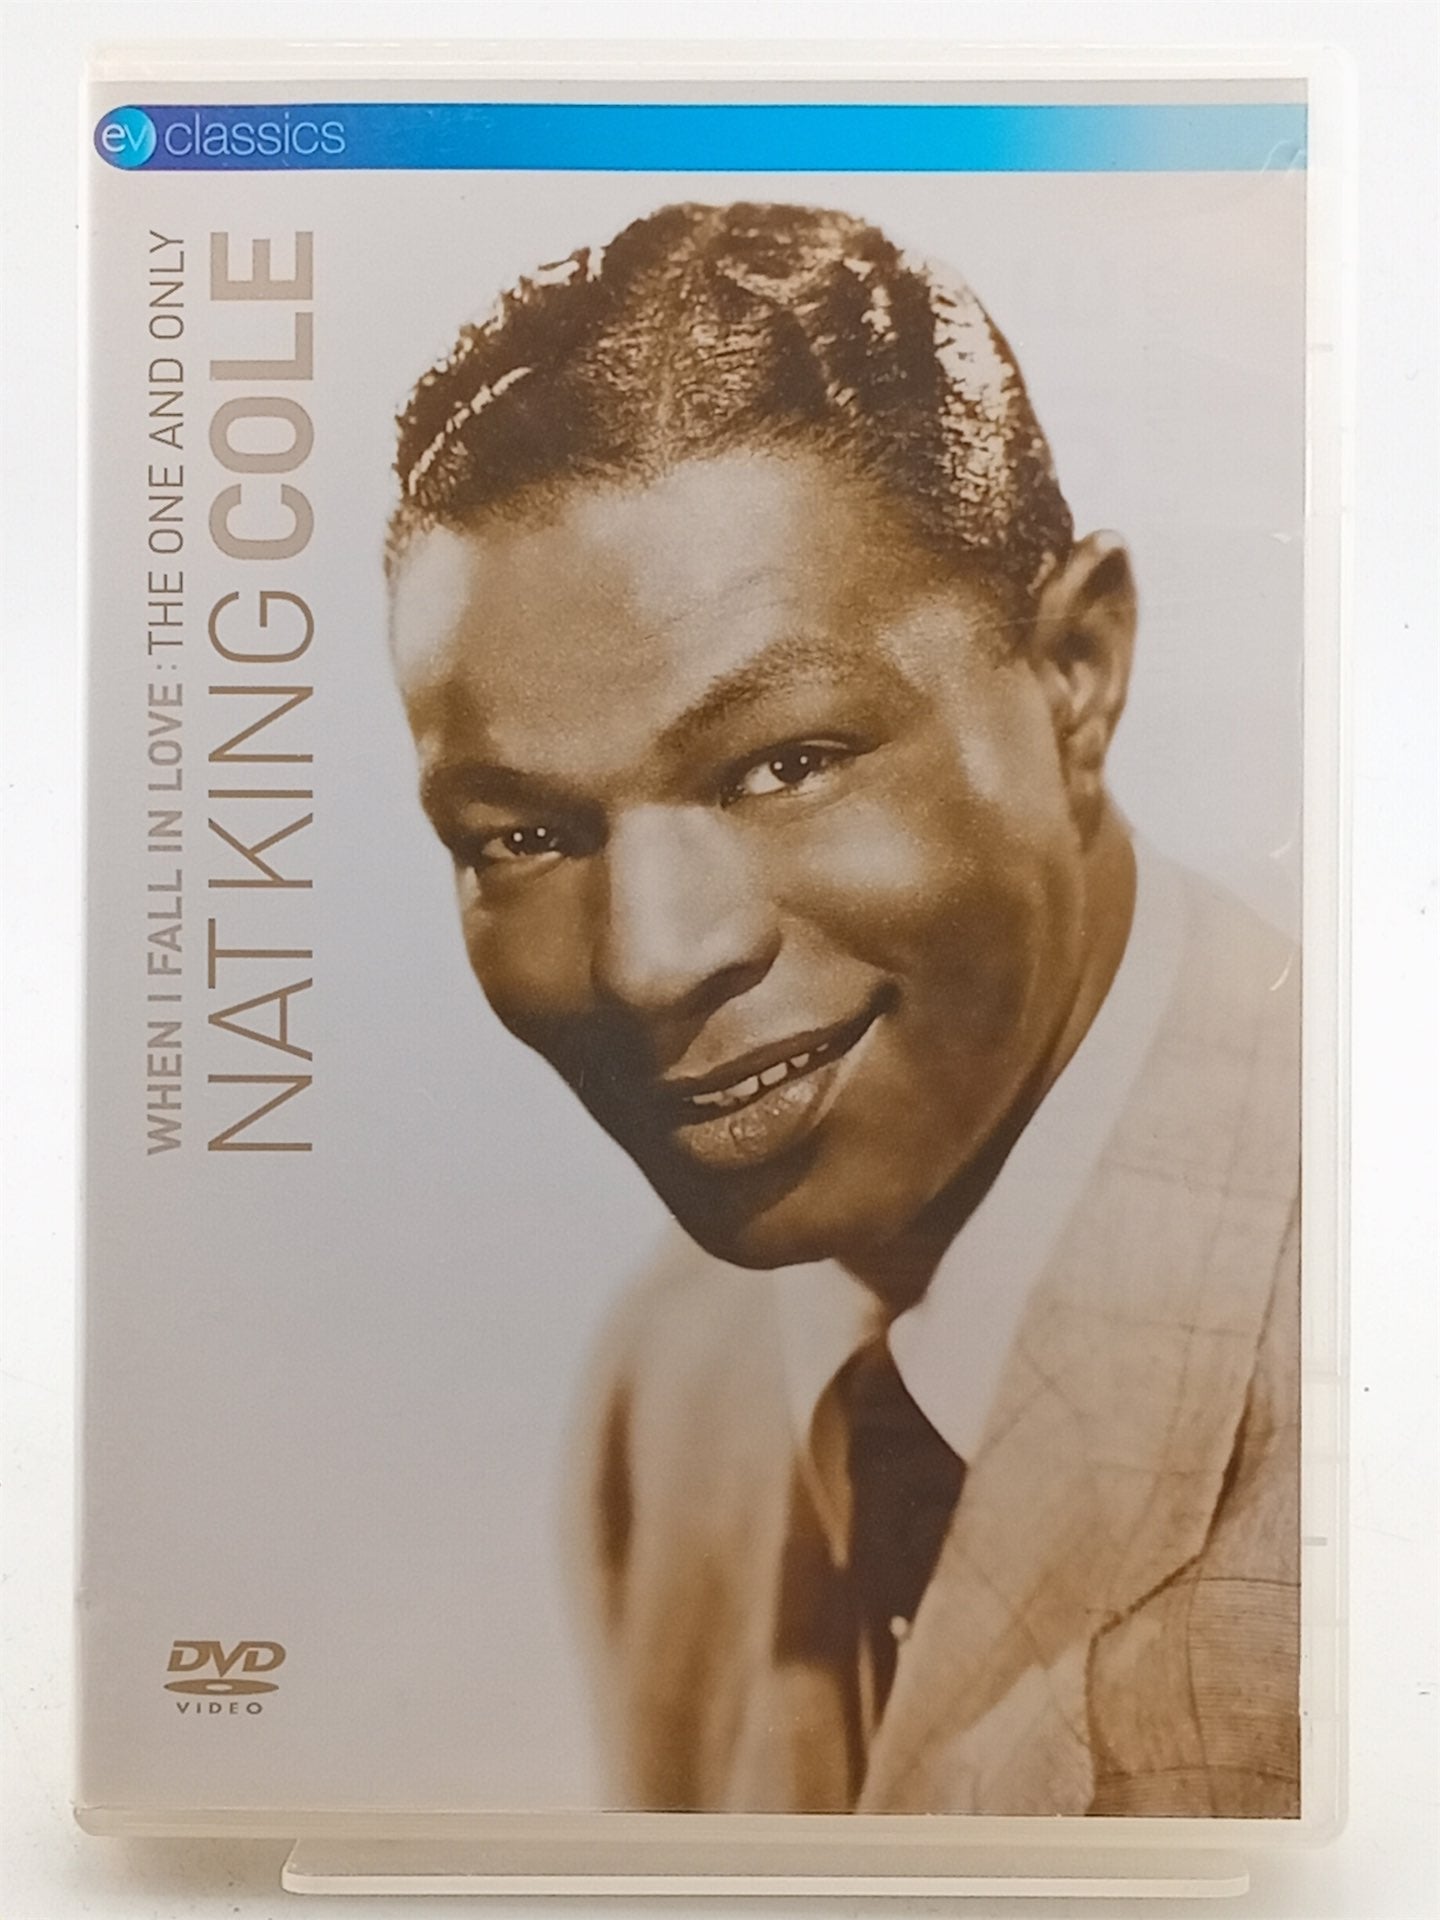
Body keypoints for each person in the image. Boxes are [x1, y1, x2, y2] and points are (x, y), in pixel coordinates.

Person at [385, 201, 1300, 1818]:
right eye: (522, 837)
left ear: (1077, 673)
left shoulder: (1376, 1341)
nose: (650, 960)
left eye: (784, 763)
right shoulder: (675, 1388)